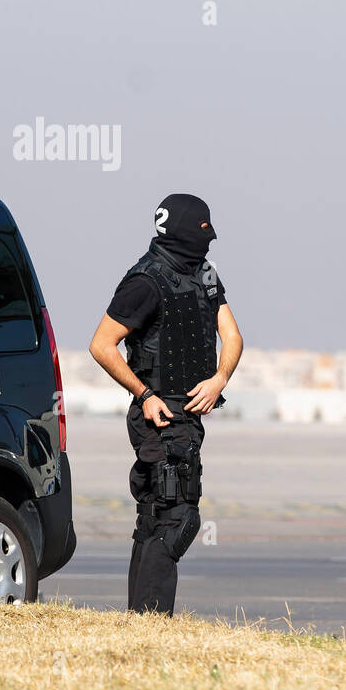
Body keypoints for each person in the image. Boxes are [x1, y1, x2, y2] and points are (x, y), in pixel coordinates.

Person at [89, 194, 243, 615]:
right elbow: (102, 345)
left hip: (189, 417)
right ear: (186, 231)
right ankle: (151, 620)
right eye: (204, 230)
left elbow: (232, 337)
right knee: (175, 518)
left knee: (158, 516)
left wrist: (219, 379)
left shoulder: (205, 276)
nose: (210, 239)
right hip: (157, 414)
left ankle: (142, 619)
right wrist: (145, 395)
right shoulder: (146, 281)